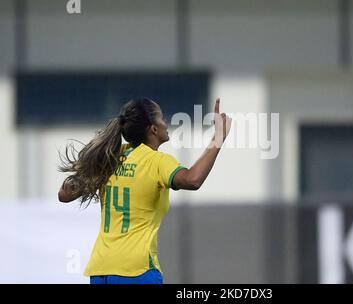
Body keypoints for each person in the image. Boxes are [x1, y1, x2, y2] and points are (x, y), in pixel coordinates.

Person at [58, 97, 232, 284]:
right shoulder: (156, 161)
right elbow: (193, 180)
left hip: (101, 270)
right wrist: (218, 137)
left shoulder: (112, 156)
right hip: (136, 270)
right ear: (153, 129)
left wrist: (88, 168)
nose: (166, 124)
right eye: (162, 118)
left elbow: (64, 195)